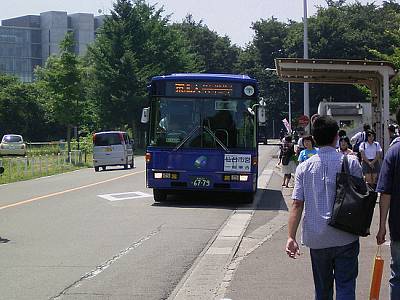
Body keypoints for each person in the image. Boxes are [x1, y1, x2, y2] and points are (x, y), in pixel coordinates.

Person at [286, 116, 363, 300]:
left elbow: (297, 203)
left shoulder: (304, 167)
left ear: (313, 138)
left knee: (322, 290)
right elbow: (362, 194)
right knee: (346, 287)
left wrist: (291, 237)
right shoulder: (350, 162)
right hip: (346, 234)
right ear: (337, 137)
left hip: (317, 237)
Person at [376, 107, 400, 299]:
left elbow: (385, 193)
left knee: (397, 275)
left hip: (399, 226)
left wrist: (381, 226)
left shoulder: (393, 153)